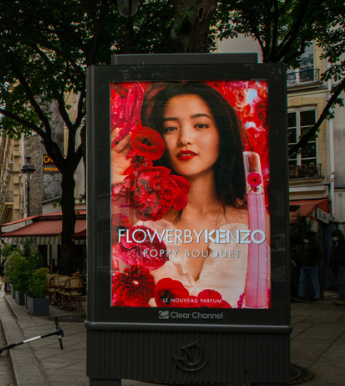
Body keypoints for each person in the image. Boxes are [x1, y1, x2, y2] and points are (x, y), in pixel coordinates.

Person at [111, 81, 266, 308]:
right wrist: (111, 186)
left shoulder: (258, 223)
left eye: (201, 125)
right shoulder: (140, 224)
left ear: (221, 133)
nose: (185, 138)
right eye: (170, 128)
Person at [296, 231, 321, 302]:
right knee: (303, 280)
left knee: (313, 280)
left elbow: (318, 256)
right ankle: (301, 295)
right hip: (306, 265)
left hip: (311, 265)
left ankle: (316, 296)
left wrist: (313, 263)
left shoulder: (314, 246)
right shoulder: (308, 245)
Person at [330, 229, 345, 305]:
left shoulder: (343, 244)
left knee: (339, 282)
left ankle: (342, 298)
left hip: (341, 266)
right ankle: (340, 296)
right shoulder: (335, 244)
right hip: (335, 266)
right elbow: (333, 255)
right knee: (337, 282)